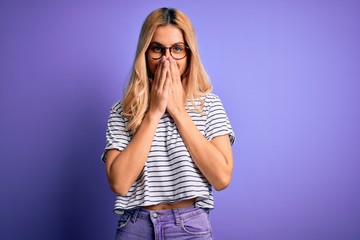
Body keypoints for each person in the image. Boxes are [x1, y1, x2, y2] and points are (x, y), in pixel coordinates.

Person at [102, 7, 235, 240]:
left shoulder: (209, 105)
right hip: (136, 226)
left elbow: (221, 178)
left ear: (189, 53)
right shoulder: (122, 110)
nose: (167, 58)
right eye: (157, 49)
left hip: (189, 227)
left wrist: (178, 112)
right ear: (145, 53)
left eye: (177, 49)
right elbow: (120, 183)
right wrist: (153, 113)